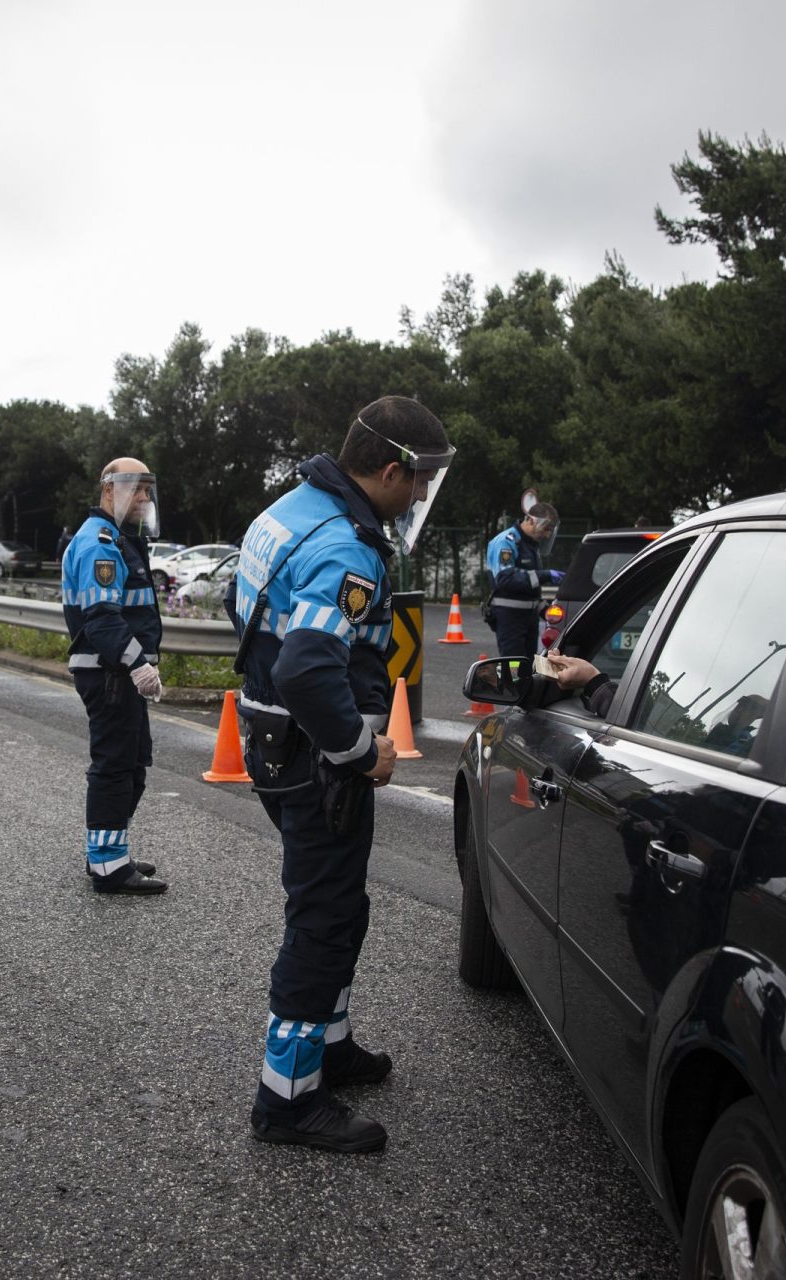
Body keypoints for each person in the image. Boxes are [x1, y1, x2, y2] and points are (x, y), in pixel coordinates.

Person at [225, 395, 455, 1153]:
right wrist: (360, 751)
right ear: (389, 471)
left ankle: (330, 1044)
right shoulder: (346, 552)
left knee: (340, 909)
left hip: (273, 744)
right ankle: (287, 1101)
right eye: (418, 483)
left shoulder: (288, 509)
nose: (420, 496)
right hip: (318, 763)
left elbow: (253, 617)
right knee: (322, 924)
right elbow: (308, 664)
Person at [60, 459, 168, 895]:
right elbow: (102, 621)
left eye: (147, 489)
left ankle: (108, 849)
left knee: (132, 763)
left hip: (120, 672)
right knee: (115, 767)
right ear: (109, 490)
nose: (144, 498)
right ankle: (107, 866)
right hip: (111, 673)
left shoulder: (121, 540)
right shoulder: (100, 543)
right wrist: (137, 663)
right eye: (136, 488)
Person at [484, 502, 562, 657]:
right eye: (546, 528)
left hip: (528, 618)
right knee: (513, 667)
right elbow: (506, 579)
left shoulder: (531, 545)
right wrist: (545, 575)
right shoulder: (506, 542)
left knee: (527, 665)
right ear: (531, 521)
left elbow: (529, 588)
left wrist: (546, 612)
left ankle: (521, 681)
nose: (547, 535)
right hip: (510, 619)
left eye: (550, 530)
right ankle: (512, 682)